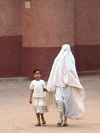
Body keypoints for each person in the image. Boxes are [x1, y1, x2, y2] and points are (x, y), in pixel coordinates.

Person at [47, 44, 85, 126]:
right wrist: (51, 83)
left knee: (67, 102)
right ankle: (60, 117)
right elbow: (53, 71)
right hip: (58, 83)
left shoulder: (71, 59)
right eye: (63, 49)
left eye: (66, 50)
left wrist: (75, 81)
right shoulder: (57, 59)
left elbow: (73, 72)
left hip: (68, 84)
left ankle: (65, 120)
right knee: (59, 101)